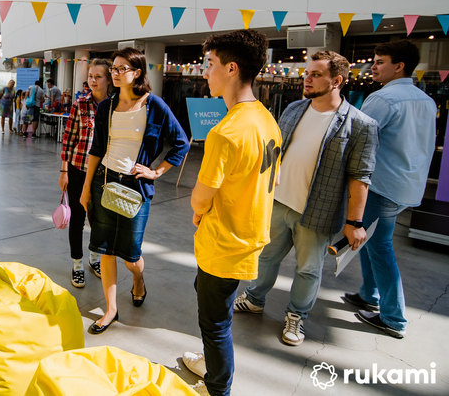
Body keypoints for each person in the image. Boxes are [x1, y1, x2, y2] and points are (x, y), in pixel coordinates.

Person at [232, 51, 378, 346]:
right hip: (278, 201)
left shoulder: (361, 125)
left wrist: (354, 222)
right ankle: (255, 298)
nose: (306, 79)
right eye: (306, 73)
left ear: (336, 81)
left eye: (315, 75)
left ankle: (297, 315)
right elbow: (275, 151)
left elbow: (360, 177)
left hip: (317, 212)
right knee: (266, 256)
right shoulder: (294, 109)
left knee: (308, 269)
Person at [181, 30, 281, 396]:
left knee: (215, 322)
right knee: (210, 302)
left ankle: (216, 386)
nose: (205, 73)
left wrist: (199, 212)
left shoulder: (226, 132)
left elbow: (200, 198)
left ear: (232, 68)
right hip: (249, 235)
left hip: (224, 242)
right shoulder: (266, 119)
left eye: (210, 64)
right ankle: (210, 364)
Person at [80, 48, 189, 334]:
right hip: (104, 180)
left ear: (137, 72)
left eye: (120, 69)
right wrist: (86, 189)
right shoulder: (106, 106)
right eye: (113, 69)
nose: (114, 74)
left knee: (130, 255)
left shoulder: (154, 105)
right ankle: (110, 309)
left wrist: (156, 171)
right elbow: (96, 149)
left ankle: (139, 280)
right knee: (104, 249)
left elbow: (181, 143)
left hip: (134, 188)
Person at [344, 40, 437, 339]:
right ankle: (368, 294)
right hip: (407, 186)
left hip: (381, 185)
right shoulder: (426, 100)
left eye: (380, 61)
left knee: (378, 244)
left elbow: (357, 140)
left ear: (399, 66)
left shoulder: (383, 100)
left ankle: (394, 318)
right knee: (373, 240)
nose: (373, 66)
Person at [59, 59, 113, 288]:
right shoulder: (80, 104)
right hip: (78, 169)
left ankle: (94, 259)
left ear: (109, 79)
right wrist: (64, 171)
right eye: (90, 76)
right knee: (78, 220)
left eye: (98, 76)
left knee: (100, 220)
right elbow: (68, 140)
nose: (92, 80)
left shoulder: (115, 106)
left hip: (104, 173)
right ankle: (77, 264)